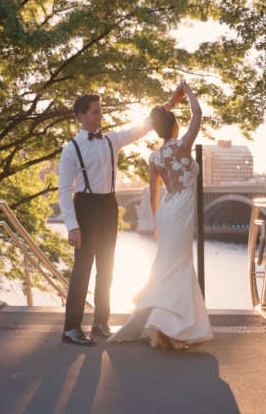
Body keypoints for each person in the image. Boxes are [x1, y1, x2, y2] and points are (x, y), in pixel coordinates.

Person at [58, 87, 183, 346]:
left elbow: (144, 126)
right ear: (81, 116)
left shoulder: (111, 140)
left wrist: (170, 102)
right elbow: (63, 192)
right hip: (85, 208)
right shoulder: (70, 149)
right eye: (95, 112)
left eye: (100, 110)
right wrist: (72, 226)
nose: (100, 115)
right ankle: (71, 328)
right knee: (82, 269)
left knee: (107, 268)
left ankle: (100, 323)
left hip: (109, 206)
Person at [108, 80, 213, 350]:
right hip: (179, 212)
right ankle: (172, 330)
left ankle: (168, 329)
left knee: (172, 265)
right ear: (175, 127)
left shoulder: (154, 157)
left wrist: (155, 222)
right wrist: (187, 92)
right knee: (177, 266)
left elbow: (154, 195)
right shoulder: (183, 146)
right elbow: (198, 114)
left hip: (167, 212)